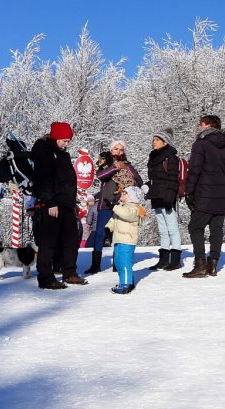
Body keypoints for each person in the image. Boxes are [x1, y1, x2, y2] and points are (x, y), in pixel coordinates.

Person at [30, 122, 87, 289]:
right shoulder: (44, 152)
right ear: (54, 137)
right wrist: (50, 202)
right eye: (63, 140)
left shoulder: (63, 155)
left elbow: (67, 180)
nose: (65, 143)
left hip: (67, 203)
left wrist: (72, 202)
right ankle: (46, 277)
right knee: (48, 242)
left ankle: (69, 272)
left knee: (71, 239)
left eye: (68, 141)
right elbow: (43, 179)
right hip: (51, 204)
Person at [183, 115, 225, 278]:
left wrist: (189, 191)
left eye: (201, 125)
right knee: (216, 229)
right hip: (221, 193)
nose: (199, 128)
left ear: (209, 126)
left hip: (204, 193)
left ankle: (200, 265)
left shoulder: (201, 144)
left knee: (195, 227)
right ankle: (213, 265)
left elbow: (194, 169)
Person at [85, 141, 142, 275]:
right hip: (105, 204)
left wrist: (131, 182)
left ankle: (118, 263)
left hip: (122, 205)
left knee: (118, 235)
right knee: (100, 233)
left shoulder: (128, 166)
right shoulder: (106, 163)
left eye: (121, 150)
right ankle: (95, 264)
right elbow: (100, 175)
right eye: (116, 149)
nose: (119, 152)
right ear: (111, 150)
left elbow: (138, 180)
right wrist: (115, 167)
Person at [144, 128, 183, 270]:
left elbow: (173, 178)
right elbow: (154, 178)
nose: (154, 142)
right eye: (153, 139)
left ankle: (176, 259)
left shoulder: (171, 157)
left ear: (165, 142)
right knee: (162, 229)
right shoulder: (153, 156)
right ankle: (164, 258)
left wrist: (170, 197)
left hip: (167, 196)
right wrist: (147, 186)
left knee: (172, 228)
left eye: (157, 140)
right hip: (156, 195)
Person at [107, 185, 147, 294]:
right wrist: (108, 228)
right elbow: (114, 219)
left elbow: (127, 215)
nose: (122, 194)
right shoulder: (121, 207)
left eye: (125, 193)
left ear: (131, 197)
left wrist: (114, 207)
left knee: (125, 262)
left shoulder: (134, 209)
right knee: (118, 262)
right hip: (119, 240)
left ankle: (126, 284)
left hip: (128, 240)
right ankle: (123, 281)